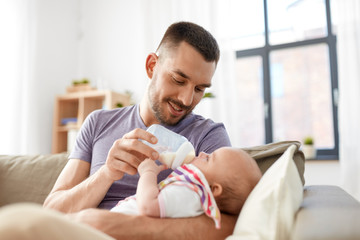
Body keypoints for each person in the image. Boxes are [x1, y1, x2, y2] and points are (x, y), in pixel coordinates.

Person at [0, 21, 237, 239]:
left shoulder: (208, 138)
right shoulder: (98, 123)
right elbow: (52, 211)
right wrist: (106, 173)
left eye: (199, 89)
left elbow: (232, 223)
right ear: (151, 66)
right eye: (178, 80)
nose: (187, 99)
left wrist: (125, 226)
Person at [111, 147, 262, 231]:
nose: (202, 153)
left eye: (208, 158)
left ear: (215, 189)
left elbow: (148, 206)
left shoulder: (192, 193)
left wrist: (148, 173)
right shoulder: (191, 191)